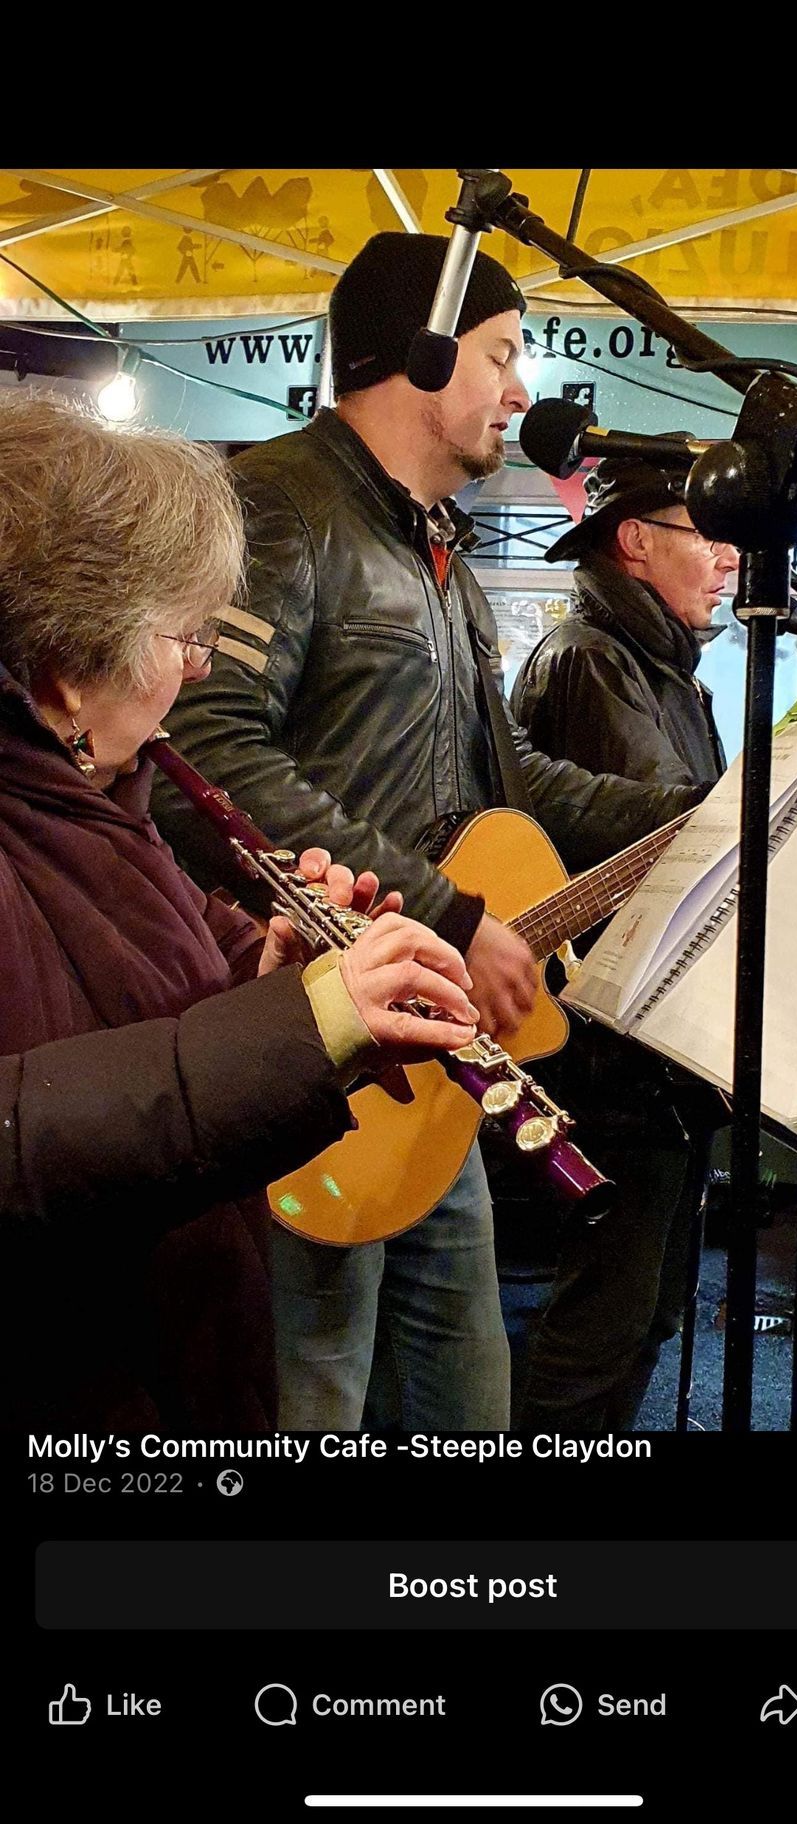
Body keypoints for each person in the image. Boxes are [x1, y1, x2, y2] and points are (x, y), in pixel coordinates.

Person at [152, 231, 698, 1433]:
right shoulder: (279, 507)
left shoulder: (438, 556)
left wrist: (699, 815)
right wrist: (446, 912)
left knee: (465, 1404)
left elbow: (513, 777)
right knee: (314, 1392)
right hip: (312, 1043)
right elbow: (204, 754)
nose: (521, 390)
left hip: (433, 1057)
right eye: (503, 354)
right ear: (424, 349)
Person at [0, 394, 480, 1433]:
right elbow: (26, 1129)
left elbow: (138, 1026)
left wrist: (267, 971)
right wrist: (299, 1027)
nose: (200, 666)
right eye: (182, 635)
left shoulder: (101, 804)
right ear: (65, 673)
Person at [510, 449, 739, 1431]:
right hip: (615, 1058)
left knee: (642, 1314)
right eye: (708, 534)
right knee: (605, 1322)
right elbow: (659, 836)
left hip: (646, 1055)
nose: (730, 559)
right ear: (634, 540)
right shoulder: (593, 659)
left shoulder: (651, 665)